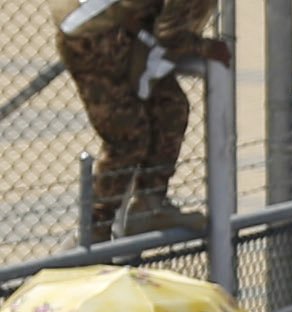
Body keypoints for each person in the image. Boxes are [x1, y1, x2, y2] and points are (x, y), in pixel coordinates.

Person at [57, 0, 221, 237]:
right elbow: (170, 36)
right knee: (128, 135)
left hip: (116, 27)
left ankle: (149, 206)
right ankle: (95, 231)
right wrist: (206, 48)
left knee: (169, 108)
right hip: (94, 34)